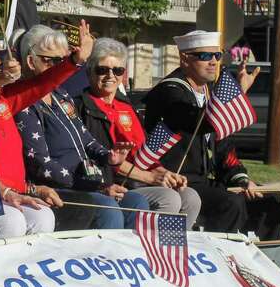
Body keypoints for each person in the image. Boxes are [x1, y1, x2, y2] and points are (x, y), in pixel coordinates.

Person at [141, 29, 280, 240]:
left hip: (205, 181)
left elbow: (223, 146)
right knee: (230, 204)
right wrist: (237, 94)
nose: (214, 62)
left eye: (217, 55)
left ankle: (260, 260)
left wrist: (242, 179)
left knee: (270, 200)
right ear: (185, 59)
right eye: (205, 56)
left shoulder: (207, 92)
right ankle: (215, 261)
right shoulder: (169, 91)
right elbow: (194, 121)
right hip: (177, 179)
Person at [0, 32, 94, 239]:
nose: (7, 73)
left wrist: (75, 61)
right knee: (12, 222)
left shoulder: (5, 99)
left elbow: (43, 84)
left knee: (43, 217)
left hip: (8, 194)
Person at [14, 25, 149, 230]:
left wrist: (108, 156)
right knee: (108, 208)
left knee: (136, 204)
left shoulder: (61, 95)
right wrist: (95, 186)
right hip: (57, 188)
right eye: (51, 60)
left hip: (88, 182)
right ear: (31, 62)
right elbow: (40, 163)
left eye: (62, 60)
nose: (59, 66)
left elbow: (86, 138)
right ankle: (106, 260)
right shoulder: (23, 102)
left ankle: (132, 260)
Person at [74, 37, 202, 229]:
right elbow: (105, 159)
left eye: (117, 70)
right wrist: (149, 178)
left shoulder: (125, 107)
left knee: (191, 197)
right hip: (113, 182)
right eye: (102, 69)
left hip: (138, 179)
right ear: (89, 71)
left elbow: (143, 152)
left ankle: (172, 251)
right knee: (169, 199)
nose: (110, 75)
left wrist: (164, 173)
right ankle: (146, 252)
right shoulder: (82, 107)